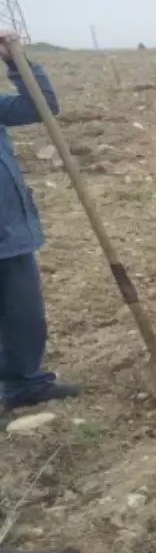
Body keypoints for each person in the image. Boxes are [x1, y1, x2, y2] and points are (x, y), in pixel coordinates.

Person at [0, 31, 83, 411]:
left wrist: (17, 62)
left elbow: (42, 107)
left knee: (23, 317)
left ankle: (23, 385)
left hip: (10, 232)